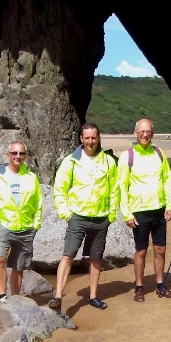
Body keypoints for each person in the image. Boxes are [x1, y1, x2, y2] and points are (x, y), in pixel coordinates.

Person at [48, 123, 118, 312]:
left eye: (93, 137)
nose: (90, 141)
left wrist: (111, 215)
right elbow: (59, 188)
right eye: (86, 138)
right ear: (81, 138)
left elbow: (114, 190)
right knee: (68, 255)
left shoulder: (108, 162)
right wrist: (66, 214)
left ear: (98, 138)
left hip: (100, 217)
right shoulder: (71, 161)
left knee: (96, 259)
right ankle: (57, 297)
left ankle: (93, 296)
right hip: (77, 216)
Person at [118, 118, 171, 302]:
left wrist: (169, 205)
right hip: (139, 212)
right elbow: (121, 186)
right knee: (141, 251)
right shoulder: (128, 156)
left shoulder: (159, 154)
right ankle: (139, 287)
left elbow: (167, 180)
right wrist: (126, 214)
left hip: (158, 210)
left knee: (160, 249)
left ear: (152, 133)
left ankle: (160, 285)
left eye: (148, 131)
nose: (145, 134)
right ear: (135, 133)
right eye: (141, 131)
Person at [0, 140, 43, 302]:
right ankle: (2, 296)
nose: (18, 156)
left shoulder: (31, 177)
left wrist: (36, 223)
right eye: (14, 153)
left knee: (19, 266)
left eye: (22, 153)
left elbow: (38, 202)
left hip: (26, 227)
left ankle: (15, 299)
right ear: (8, 155)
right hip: (5, 225)